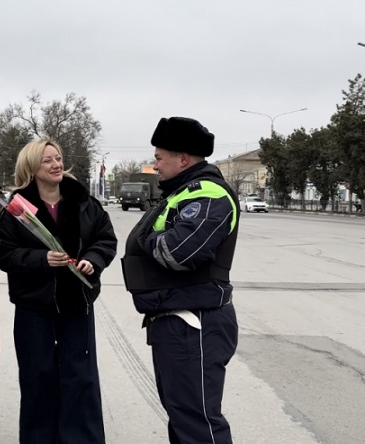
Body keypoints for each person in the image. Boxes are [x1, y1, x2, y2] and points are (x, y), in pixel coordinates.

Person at [121, 117, 239, 443]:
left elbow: (180, 251)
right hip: (175, 322)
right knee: (183, 418)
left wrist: (145, 237)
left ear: (183, 159)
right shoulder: (182, 192)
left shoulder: (209, 194)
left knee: (198, 423)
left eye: (160, 158)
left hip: (194, 324)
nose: (155, 165)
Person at [0, 139, 117, 444]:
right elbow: (6, 254)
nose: (56, 164)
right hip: (35, 308)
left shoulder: (85, 203)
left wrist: (94, 259)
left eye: (58, 158)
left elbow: (105, 240)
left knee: (81, 378)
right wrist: (41, 259)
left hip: (77, 305)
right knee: (38, 378)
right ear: (32, 168)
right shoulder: (17, 209)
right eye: (47, 160)